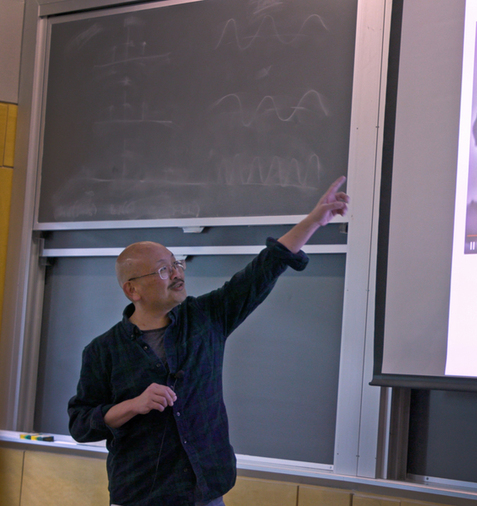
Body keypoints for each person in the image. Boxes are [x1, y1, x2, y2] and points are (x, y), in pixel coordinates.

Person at [68, 177, 349, 506]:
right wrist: (133, 405)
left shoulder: (205, 318)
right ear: (133, 290)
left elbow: (263, 269)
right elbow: (80, 425)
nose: (177, 274)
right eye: (163, 270)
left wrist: (314, 220)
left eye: (176, 263)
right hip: (141, 495)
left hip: (205, 492)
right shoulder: (103, 351)